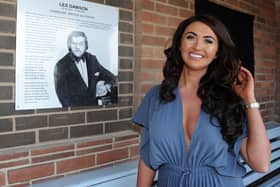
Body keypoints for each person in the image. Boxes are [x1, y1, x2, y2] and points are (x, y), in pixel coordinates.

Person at [133, 15, 271, 187]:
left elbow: (261, 164)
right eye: (190, 37)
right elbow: (147, 158)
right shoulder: (156, 96)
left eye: (208, 41)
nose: (198, 46)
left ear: (217, 53)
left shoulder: (229, 99)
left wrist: (249, 99)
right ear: (179, 44)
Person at [54, 31, 117, 107]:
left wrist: (107, 85)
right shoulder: (61, 66)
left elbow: (113, 78)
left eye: (81, 44)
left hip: (95, 112)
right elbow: (65, 101)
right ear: (69, 45)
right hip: (77, 114)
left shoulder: (92, 59)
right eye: (74, 44)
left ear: (86, 46)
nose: (77, 47)